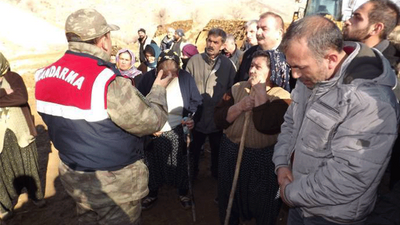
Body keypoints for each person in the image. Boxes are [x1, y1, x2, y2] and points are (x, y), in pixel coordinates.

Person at [35, 9, 173, 225]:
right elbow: (150, 121)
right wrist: (158, 90)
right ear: (103, 41)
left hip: (76, 179)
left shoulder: (43, 76)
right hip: (113, 187)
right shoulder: (106, 81)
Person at [273, 15, 399, 225]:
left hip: (332, 216)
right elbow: (291, 124)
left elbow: (350, 175)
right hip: (298, 203)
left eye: (300, 67)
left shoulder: (370, 102)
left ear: (331, 59)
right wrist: (282, 164)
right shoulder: (311, 76)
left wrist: (290, 193)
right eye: (291, 66)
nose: (294, 75)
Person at [215, 50, 291, 225]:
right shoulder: (237, 88)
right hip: (231, 152)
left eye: (258, 67)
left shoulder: (283, 97)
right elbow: (218, 119)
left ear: (274, 71)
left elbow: (265, 124)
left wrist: (260, 94)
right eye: (251, 66)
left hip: (262, 159)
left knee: (262, 202)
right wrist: (239, 106)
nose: (252, 71)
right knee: (229, 199)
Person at [342, 0, 400, 190]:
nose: (347, 21)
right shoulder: (345, 56)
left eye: (357, 17)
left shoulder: (390, 73)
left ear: (376, 28)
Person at [136, 50, 202, 210]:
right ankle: (152, 193)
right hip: (154, 131)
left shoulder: (185, 78)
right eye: (165, 72)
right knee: (152, 164)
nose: (170, 76)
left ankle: (183, 192)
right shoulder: (146, 79)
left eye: (173, 72)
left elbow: (197, 101)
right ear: (157, 70)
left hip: (178, 128)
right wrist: (148, 127)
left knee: (180, 162)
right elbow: (137, 105)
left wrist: (191, 118)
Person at [186, 28, 236, 180]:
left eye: (216, 42)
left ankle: (216, 180)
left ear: (222, 45)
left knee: (217, 152)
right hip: (196, 119)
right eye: (209, 41)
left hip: (217, 120)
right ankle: (191, 177)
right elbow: (185, 88)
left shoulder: (228, 66)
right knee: (193, 152)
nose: (211, 45)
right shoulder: (194, 61)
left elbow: (232, 91)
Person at [0, 52, 45, 220]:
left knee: (28, 166)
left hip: (21, 132)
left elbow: (20, 97)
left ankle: (36, 196)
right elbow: (12, 97)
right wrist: (6, 94)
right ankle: (5, 207)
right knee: (2, 172)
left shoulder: (12, 77)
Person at [235, 12, 291, 92]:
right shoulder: (249, 54)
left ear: (279, 33)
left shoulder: (289, 56)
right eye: (258, 28)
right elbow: (239, 82)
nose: (258, 33)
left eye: (264, 29)